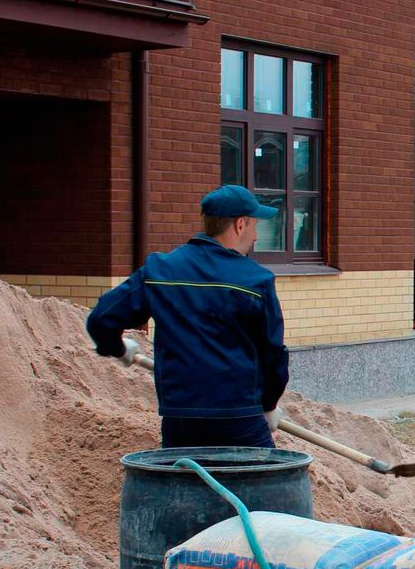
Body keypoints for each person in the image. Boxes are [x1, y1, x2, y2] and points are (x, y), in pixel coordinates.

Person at [86, 184, 289, 449]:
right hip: (238, 418)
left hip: (180, 419)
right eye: (254, 226)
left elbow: (100, 320)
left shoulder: (160, 269)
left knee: (186, 476)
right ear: (240, 224)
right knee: (264, 476)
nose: (256, 236)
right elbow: (272, 353)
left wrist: (117, 348)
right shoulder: (255, 279)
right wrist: (269, 405)